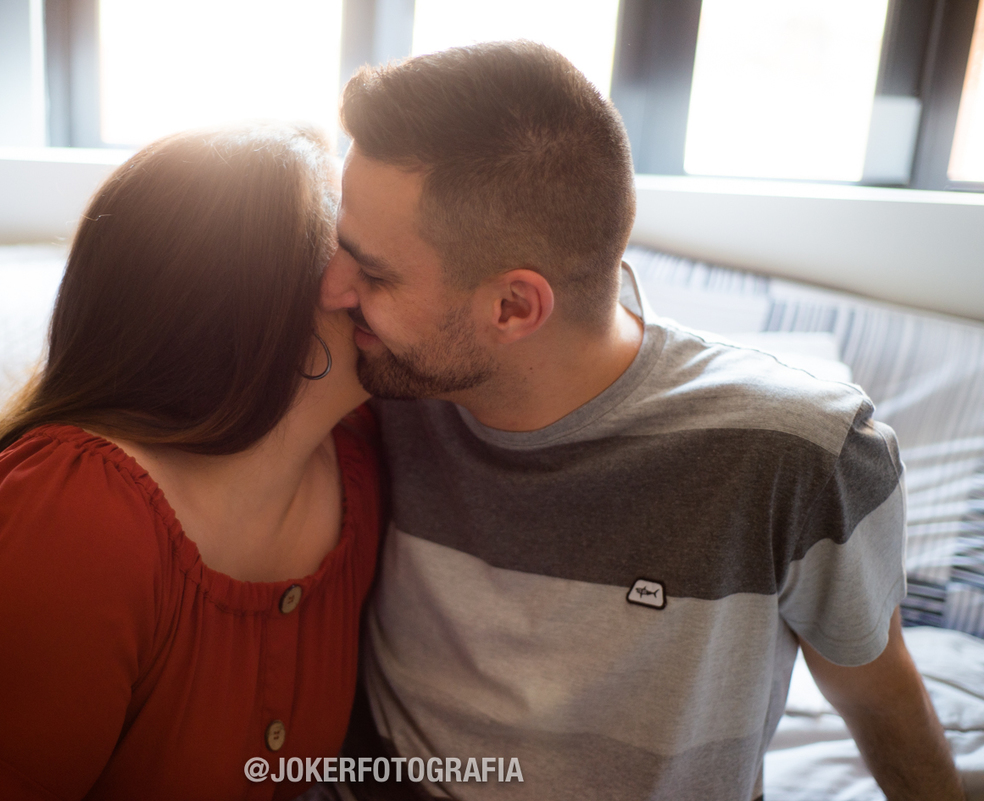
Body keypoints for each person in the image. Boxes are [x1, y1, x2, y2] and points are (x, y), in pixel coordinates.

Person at [317, 41, 965, 800]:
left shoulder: (799, 455)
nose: (333, 288)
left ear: (513, 306)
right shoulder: (381, 378)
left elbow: (877, 694)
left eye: (374, 272)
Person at [0, 125, 380, 801]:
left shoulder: (361, 460)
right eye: (352, 246)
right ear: (254, 300)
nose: (387, 266)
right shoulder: (73, 520)